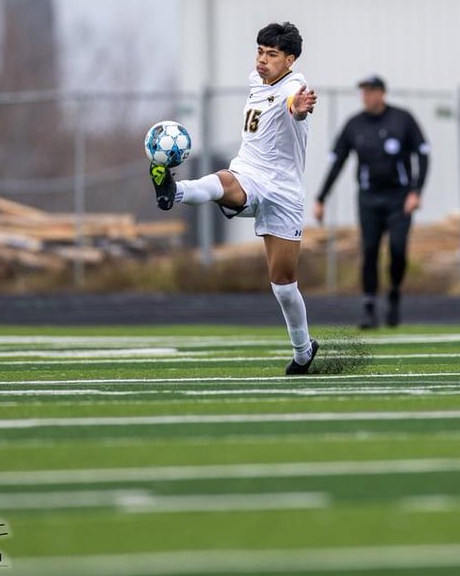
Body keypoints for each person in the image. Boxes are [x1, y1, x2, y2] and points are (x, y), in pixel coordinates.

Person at [151, 21, 320, 374]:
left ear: (289, 60)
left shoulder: (295, 87)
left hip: (284, 192)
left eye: (272, 55)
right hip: (249, 172)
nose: (262, 60)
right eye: (260, 51)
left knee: (284, 285)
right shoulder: (257, 80)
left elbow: (294, 105)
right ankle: (173, 190)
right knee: (224, 182)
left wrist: (300, 107)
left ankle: (303, 352)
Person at [314, 75, 430, 329]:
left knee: (398, 251)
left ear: (381, 94)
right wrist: (321, 198)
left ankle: (395, 294)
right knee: (369, 251)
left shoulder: (402, 119)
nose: (365, 97)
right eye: (362, 92)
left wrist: (416, 191)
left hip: (400, 198)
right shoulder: (354, 125)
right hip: (369, 197)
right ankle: (369, 309)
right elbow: (338, 162)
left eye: (370, 92)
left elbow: (423, 154)